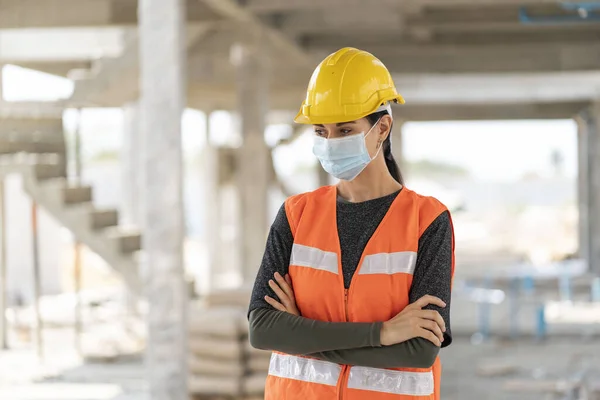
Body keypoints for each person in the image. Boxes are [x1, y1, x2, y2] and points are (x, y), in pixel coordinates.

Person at [248, 47, 455, 400]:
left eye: (345, 129)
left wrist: (301, 330)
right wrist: (383, 333)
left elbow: (419, 351)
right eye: (321, 131)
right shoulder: (296, 215)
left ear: (382, 127)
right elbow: (264, 330)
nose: (330, 143)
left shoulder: (428, 222)